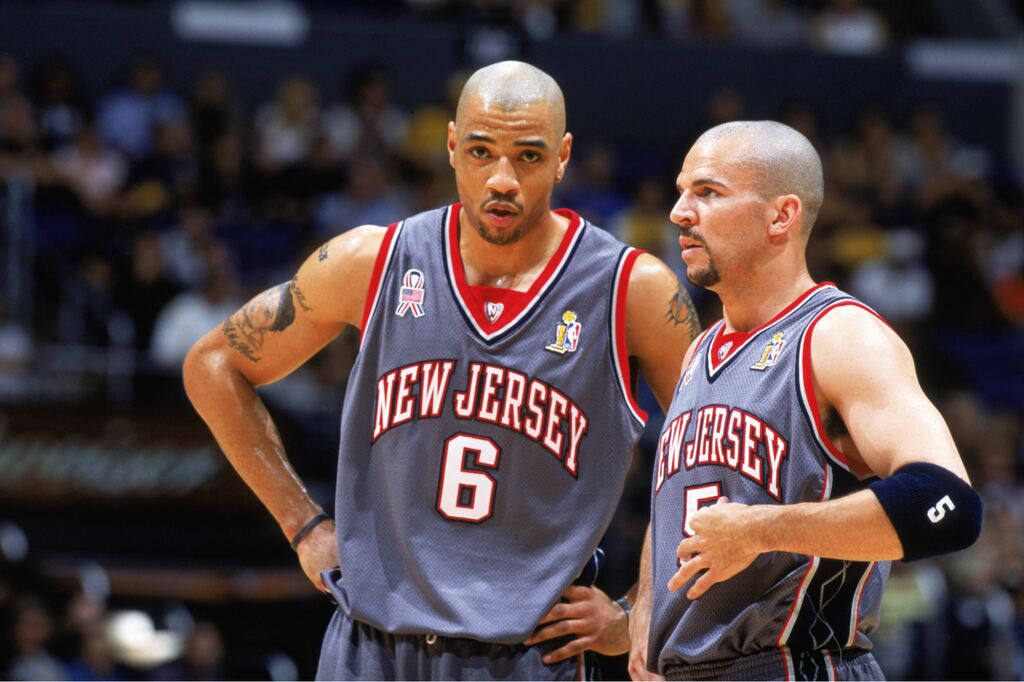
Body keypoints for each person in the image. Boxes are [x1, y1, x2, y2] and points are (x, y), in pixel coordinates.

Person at [183, 61, 699, 680]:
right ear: (452, 146)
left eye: (528, 157)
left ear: (563, 158)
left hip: (528, 654)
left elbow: (705, 456)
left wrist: (639, 610)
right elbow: (214, 364)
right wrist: (303, 526)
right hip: (367, 645)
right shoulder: (369, 261)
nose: (501, 179)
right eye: (481, 151)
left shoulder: (633, 291)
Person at [630, 121, 982, 681]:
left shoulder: (839, 336)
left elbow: (947, 506)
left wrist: (760, 531)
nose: (679, 211)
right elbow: (674, 510)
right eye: (680, 191)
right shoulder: (700, 350)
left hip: (799, 666)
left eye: (708, 192)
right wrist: (643, 615)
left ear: (781, 215)